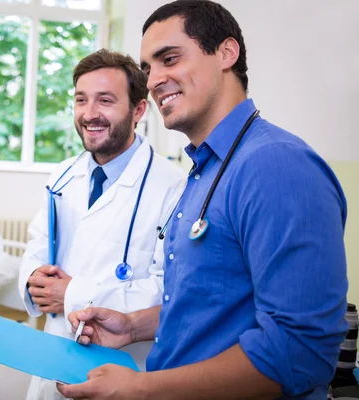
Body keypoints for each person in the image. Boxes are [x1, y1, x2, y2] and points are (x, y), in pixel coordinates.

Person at [57, 1, 348, 399]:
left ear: (227, 53)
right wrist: (133, 326)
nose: (154, 80)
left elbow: (300, 352)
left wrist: (142, 388)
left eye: (169, 59)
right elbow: (210, 304)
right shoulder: (204, 171)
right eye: (147, 69)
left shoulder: (275, 165)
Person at [18, 49, 184, 399]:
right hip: (53, 355)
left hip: (123, 368)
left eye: (105, 100)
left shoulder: (173, 187)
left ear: (139, 110)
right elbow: (37, 243)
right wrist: (33, 278)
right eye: (81, 100)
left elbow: (168, 291)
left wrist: (73, 294)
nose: (89, 114)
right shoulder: (63, 174)